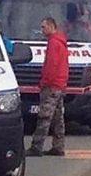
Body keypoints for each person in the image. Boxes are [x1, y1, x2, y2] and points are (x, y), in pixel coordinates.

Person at [26, 17, 69, 157]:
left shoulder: (53, 43)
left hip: (52, 85)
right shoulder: (60, 42)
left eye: (43, 27)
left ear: (51, 26)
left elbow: (51, 66)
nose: (42, 30)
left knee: (44, 116)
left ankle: (37, 146)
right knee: (58, 118)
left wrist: (44, 82)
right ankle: (58, 146)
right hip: (60, 85)